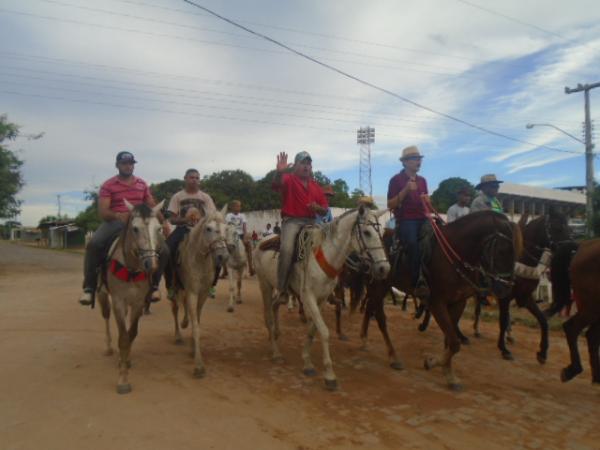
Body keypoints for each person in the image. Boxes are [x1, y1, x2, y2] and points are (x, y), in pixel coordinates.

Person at [79, 151, 169, 306]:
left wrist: (164, 221)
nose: (128, 166)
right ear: (117, 165)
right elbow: (103, 211)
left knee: (165, 250)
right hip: (116, 222)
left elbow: (152, 205)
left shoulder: (142, 184)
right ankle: (89, 287)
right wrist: (118, 215)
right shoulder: (108, 185)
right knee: (94, 244)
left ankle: (154, 285)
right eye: (124, 163)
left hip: (141, 223)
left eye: (131, 163)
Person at [272, 151, 328, 302]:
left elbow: (325, 210)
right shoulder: (288, 179)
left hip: (312, 222)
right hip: (292, 221)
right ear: (295, 166)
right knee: (287, 249)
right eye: (302, 163)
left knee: (330, 245)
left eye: (308, 164)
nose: (306, 166)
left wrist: (317, 208)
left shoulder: (316, 187)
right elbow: (276, 184)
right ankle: (281, 289)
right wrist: (279, 172)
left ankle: (328, 286)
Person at [164, 168, 217, 300]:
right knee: (166, 250)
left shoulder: (205, 197)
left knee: (220, 250)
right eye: (191, 177)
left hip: (202, 232)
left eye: (197, 178)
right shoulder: (177, 196)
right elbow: (172, 218)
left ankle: (212, 284)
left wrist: (202, 221)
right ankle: (170, 285)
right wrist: (185, 220)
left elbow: (213, 216)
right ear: (185, 179)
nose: (194, 180)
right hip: (183, 229)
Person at [387, 145, 430, 300]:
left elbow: (427, 202)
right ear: (405, 162)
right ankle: (416, 280)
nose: (418, 161)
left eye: (419, 158)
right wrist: (405, 190)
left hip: (423, 217)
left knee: (441, 236)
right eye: (414, 159)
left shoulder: (423, 181)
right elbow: (390, 204)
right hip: (406, 220)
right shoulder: (396, 180)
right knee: (412, 243)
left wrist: (427, 201)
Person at [225, 200, 255, 276]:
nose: (239, 208)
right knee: (224, 248)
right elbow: (228, 226)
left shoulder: (242, 216)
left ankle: (251, 267)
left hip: (241, 235)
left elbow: (244, 226)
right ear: (233, 207)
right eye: (238, 206)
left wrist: (245, 236)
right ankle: (225, 270)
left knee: (249, 247)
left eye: (240, 206)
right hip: (232, 235)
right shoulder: (229, 216)